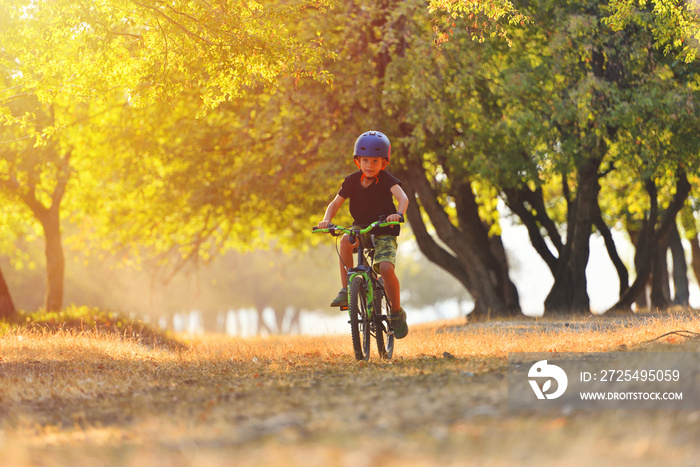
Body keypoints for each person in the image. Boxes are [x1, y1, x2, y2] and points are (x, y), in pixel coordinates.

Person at [317, 131, 410, 339]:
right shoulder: (351, 181)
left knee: (385, 267)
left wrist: (399, 214)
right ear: (357, 161)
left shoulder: (387, 180)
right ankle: (346, 289)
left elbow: (403, 198)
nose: (369, 165)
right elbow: (334, 204)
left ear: (383, 162)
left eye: (375, 161)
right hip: (362, 228)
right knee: (345, 240)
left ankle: (396, 312)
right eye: (365, 160)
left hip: (384, 229)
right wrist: (326, 219)